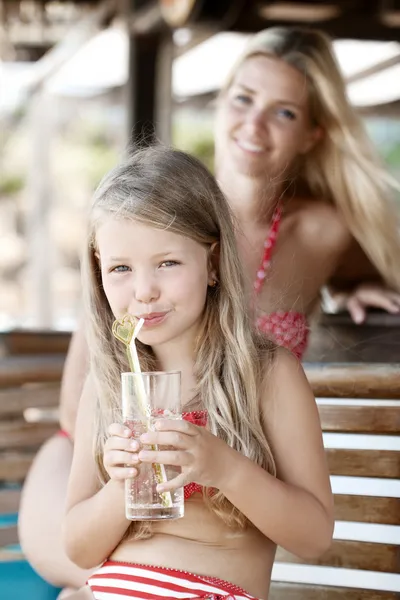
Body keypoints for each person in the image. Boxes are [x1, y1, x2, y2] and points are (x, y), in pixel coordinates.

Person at [19, 25, 400, 592]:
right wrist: (123, 472)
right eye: (243, 98)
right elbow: (83, 432)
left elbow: (312, 529)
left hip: (226, 514)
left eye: (284, 112)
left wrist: (353, 288)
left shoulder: (317, 241)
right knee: (89, 578)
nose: (254, 123)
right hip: (96, 473)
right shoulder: (147, 213)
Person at [62, 145, 333, 599]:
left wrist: (224, 468)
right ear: (98, 272)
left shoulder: (266, 375)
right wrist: (125, 483)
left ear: (212, 261)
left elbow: (315, 536)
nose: (144, 291)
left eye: (168, 263)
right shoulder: (106, 384)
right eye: (121, 268)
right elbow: (78, 548)